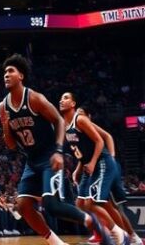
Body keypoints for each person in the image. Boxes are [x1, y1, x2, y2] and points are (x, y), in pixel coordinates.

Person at [0, 55, 111, 245]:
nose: (6, 75)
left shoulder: (34, 98)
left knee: (52, 206)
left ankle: (91, 221)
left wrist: (58, 151)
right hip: (31, 159)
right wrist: (5, 125)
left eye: (11, 71)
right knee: (23, 205)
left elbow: (58, 120)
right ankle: (57, 243)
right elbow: (10, 145)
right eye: (4, 72)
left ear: (21, 76)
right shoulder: (3, 107)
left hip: (49, 155)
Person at [59, 93, 130, 245]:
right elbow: (81, 151)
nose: (61, 100)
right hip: (88, 165)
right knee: (80, 205)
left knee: (96, 203)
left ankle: (121, 234)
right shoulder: (65, 127)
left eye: (65, 98)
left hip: (101, 162)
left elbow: (100, 140)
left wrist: (97, 161)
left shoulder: (80, 119)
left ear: (73, 104)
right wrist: (78, 168)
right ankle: (100, 233)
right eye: (60, 98)